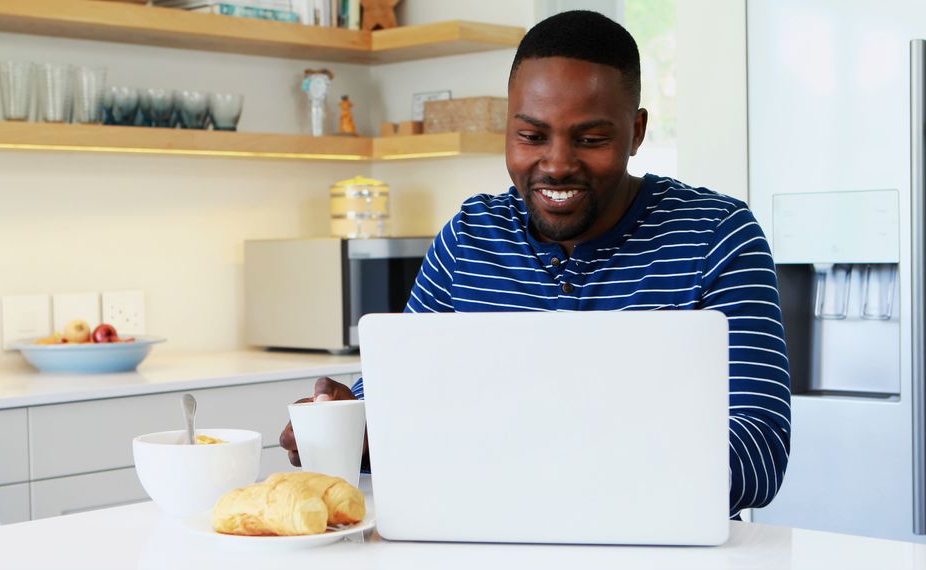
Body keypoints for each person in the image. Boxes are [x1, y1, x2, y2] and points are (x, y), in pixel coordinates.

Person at [280, 9, 790, 518]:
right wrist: (351, 421)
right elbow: (401, 389)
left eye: (591, 139)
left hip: (659, 541)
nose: (557, 164)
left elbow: (759, 451)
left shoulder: (718, 236)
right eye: (531, 136)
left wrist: (545, 455)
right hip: (484, 534)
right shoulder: (469, 238)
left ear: (635, 132)